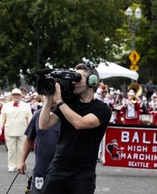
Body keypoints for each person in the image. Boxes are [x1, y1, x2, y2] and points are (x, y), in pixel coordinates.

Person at [38, 63, 111, 194]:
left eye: (78, 78)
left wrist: (60, 101)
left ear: (92, 81)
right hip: (57, 168)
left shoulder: (102, 109)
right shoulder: (68, 103)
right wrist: (49, 99)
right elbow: (44, 124)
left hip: (82, 174)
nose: (73, 81)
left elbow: (80, 123)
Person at [18, 101, 59, 194]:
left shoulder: (68, 116)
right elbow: (29, 139)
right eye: (49, 96)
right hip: (41, 169)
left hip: (61, 170)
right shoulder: (37, 115)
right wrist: (22, 161)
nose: (52, 99)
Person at [0, 88, 32, 172]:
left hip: (22, 130)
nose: (16, 96)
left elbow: (30, 118)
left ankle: (21, 164)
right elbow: (2, 117)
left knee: (22, 149)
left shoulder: (26, 106)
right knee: (11, 150)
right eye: (14, 95)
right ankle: (11, 165)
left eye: (18, 95)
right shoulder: (6, 105)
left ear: (21, 96)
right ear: (12, 96)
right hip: (9, 129)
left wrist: (32, 129)